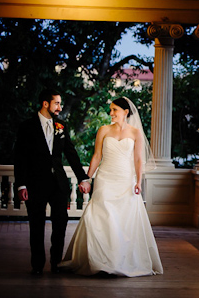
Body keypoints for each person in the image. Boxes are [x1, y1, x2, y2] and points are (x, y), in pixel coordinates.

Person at [60, 97, 163, 277]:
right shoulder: (104, 130)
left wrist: (138, 182)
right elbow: (97, 156)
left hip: (125, 180)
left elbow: (139, 160)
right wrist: (87, 178)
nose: (111, 113)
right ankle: (99, 260)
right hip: (105, 178)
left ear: (126, 112)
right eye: (111, 110)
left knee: (122, 221)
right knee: (100, 217)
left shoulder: (135, 133)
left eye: (115, 110)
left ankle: (117, 261)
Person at [14, 88, 91, 275]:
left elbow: (71, 155)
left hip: (58, 185)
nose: (60, 107)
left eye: (60, 103)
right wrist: (21, 184)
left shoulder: (61, 127)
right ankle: (37, 265)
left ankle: (56, 262)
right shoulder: (27, 126)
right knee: (36, 225)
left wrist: (83, 178)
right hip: (34, 184)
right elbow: (20, 157)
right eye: (57, 103)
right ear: (45, 103)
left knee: (60, 224)